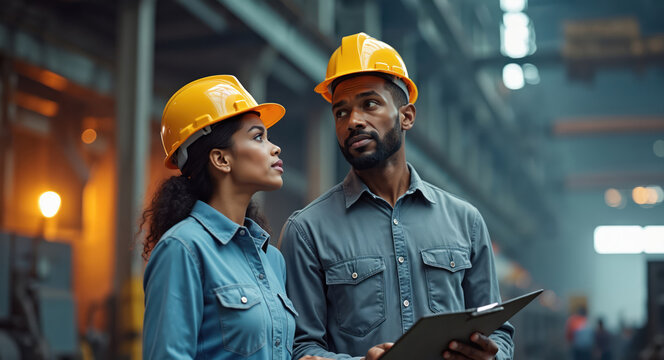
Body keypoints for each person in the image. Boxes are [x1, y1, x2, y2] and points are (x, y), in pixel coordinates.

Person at [279, 33, 514, 360]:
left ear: (406, 116)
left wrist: (492, 356)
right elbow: (299, 348)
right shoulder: (307, 231)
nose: (353, 122)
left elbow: (498, 331)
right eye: (340, 112)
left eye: (369, 104)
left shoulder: (466, 222)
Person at [141, 75, 298, 359]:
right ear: (221, 159)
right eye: (258, 137)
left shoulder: (273, 260)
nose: (275, 148)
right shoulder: (183, 249)